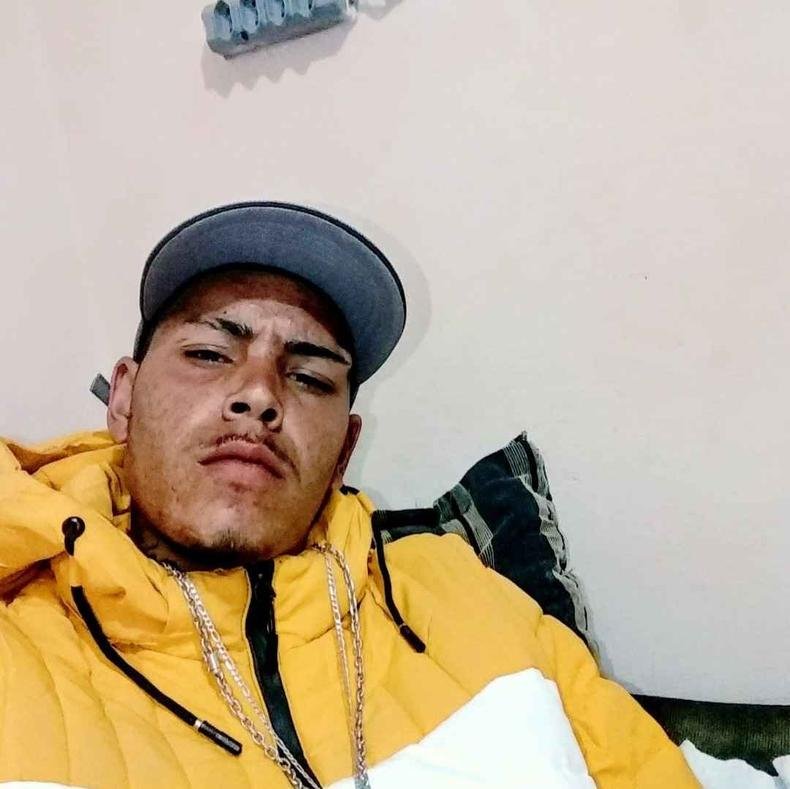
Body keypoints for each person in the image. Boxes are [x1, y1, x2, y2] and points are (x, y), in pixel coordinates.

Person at [0, 202, 699, 788]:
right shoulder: (19, 644)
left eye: (308, 377)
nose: (258, 394)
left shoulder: (466, 593)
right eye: (210, 354)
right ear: (124, 397)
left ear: (343, 450)